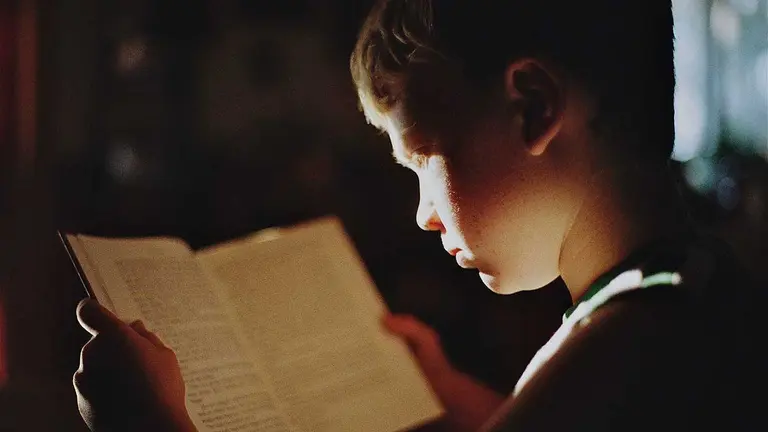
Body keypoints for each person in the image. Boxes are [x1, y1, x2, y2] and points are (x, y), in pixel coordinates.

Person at [73, 1, 766, 431]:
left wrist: (153, 425)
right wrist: (451, 395)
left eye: (425, 158)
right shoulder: (684, 292)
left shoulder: (634, 340)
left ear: (531, 107)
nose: (424, 216)